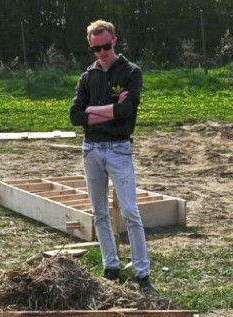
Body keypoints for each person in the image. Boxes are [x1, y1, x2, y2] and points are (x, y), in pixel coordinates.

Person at [69, 19, 155, 293]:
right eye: (96, 48)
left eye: (106, 46)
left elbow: (127, 111)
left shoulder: (131, 72)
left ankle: (142, 272)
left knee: (130, 210)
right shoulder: (87, 77)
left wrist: (93, 111)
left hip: (119, 148)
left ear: (114, 41)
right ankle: (111, 266)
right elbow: (75, 116)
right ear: (90, 46)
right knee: (99, 212)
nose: (102, 52)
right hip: (91, 148)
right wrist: (109, 110)